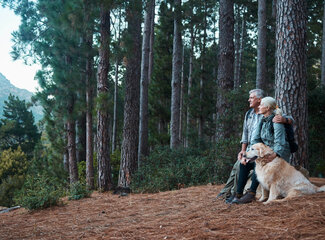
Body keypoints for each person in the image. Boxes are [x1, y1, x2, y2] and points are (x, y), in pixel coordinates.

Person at [216, 89, 292, 203]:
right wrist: (248, 153)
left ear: (265, 106)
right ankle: (237, 194)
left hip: (275, 154)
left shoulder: (276, 119)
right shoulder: (256, 117)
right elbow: (252, 138)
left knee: (259, 162)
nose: (249, 100)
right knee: (242, 164)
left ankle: (250, 193)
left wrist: (273, 154)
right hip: (259, 150)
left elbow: (280, 143)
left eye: (252, 98)